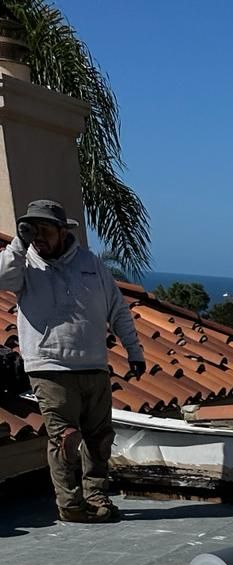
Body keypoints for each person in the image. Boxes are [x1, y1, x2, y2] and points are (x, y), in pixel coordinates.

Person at [0, 199, 146, 523]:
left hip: (93, 364)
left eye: (44, 230)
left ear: (62, 231)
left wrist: (135, 352)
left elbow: (118, 310)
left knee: (99, 438)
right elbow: (1, 278)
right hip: (49, 367)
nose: (38, 237)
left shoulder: (91, 264)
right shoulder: (24, 264)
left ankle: (97, 497)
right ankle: (70, 504)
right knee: (65, 437)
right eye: (32, 230)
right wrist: (18, 243)